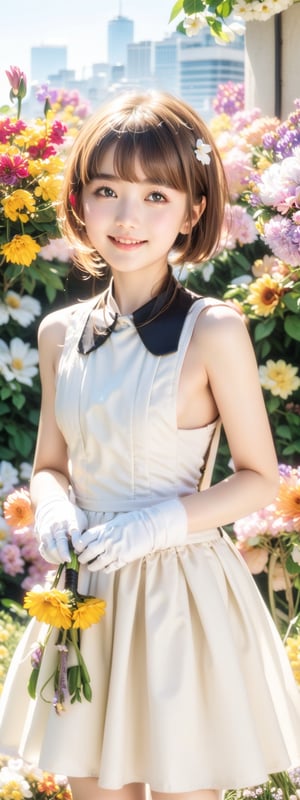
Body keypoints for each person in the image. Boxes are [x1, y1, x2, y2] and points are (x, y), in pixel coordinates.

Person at [0, 90, 300, 800]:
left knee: (178, 786)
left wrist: (157, 523)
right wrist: (51, 509)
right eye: (106, 190)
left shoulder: (215, 329)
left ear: (194, 210)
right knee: (92, 788)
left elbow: (258, 476)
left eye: (155, 194)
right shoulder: (57, 334)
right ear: (80, 200)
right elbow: (50, 465)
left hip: (177, 595)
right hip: (88, 590)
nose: (127, 217)